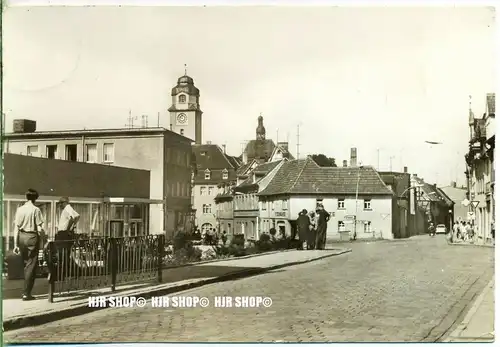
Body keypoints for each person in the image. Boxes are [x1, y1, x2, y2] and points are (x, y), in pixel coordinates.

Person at [13, 188, 45, 301]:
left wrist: (15, 244)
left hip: (21, 237)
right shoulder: (36, 210)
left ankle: (25, 291)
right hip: (32, 237)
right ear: (35, 198)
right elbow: (40, 228)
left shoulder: (20, 209)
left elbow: (16, 227)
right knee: (31, 266)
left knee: (26, 264)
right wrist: (44, 240)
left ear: (26, 197)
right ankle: (26, 293)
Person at [55, 197, 80, 279]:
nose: (60, 205)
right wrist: (72, 227)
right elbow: (77, 216)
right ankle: (67, 273)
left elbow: (73, 218)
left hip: (63, 233)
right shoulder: (69, 208)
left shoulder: (67, 208)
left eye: (61, 203)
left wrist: (68, 229)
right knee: (65, 254)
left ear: (64, 202)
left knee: (62, 254)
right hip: (64, 233)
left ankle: (62, 274)